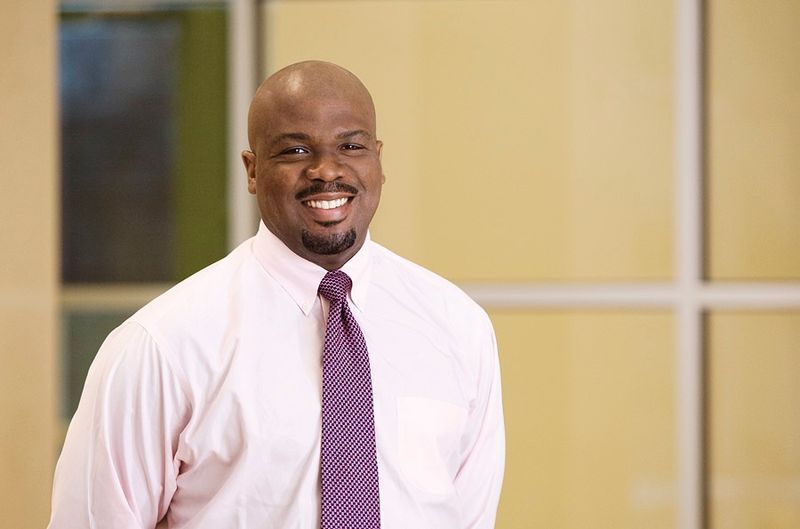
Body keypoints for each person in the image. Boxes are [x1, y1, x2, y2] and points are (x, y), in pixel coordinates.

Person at [48, 60, 505, 529]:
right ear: (252, 170)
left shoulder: (458, 326)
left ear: (378, 159)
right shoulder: (162, 344)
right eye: (294, 150)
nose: (327, 170)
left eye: (351, 145)